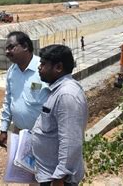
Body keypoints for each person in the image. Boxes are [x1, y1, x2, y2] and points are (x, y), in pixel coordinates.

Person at [32, 45, 88, 185]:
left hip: (57, 179)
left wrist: (59, 177)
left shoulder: (66, 95)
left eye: (43, 64)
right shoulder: (58, 91)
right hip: (48, 174)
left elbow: (70, 142)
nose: (39, 67)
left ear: (58, 67)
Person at [0, 31, 49, 147]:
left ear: (25, 46)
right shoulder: (12, 71)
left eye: (11, 47)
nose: (7, 52)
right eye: (6, 49)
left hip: (43, 135)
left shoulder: (43, 69)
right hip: (19, 132)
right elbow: (8, 101)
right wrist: (4, 129)